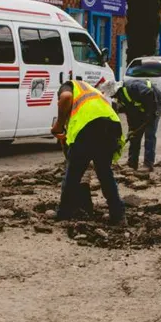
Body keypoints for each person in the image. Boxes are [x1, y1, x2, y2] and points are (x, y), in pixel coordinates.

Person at [52, 80, 127, 223]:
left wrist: (59, 125)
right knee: (105, 173)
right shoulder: (91, 91)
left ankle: (64, 213)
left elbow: (66, 97)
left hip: (89, 128)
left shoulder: (68, 86)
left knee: (73, 174)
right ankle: (118, 214)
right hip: (111, 127)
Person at [107, 77, 161, 171]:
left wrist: (150, 114)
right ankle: (132, 163)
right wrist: (132, 129)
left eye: (113, 96)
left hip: (155, 102)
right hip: (142, 108)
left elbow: (149, 93)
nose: (113, 98)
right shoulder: (122, 99)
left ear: (116, 92)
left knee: (149, 134)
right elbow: (130, 114)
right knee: (134, 136)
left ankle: (148, 164)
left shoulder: (132, 87)